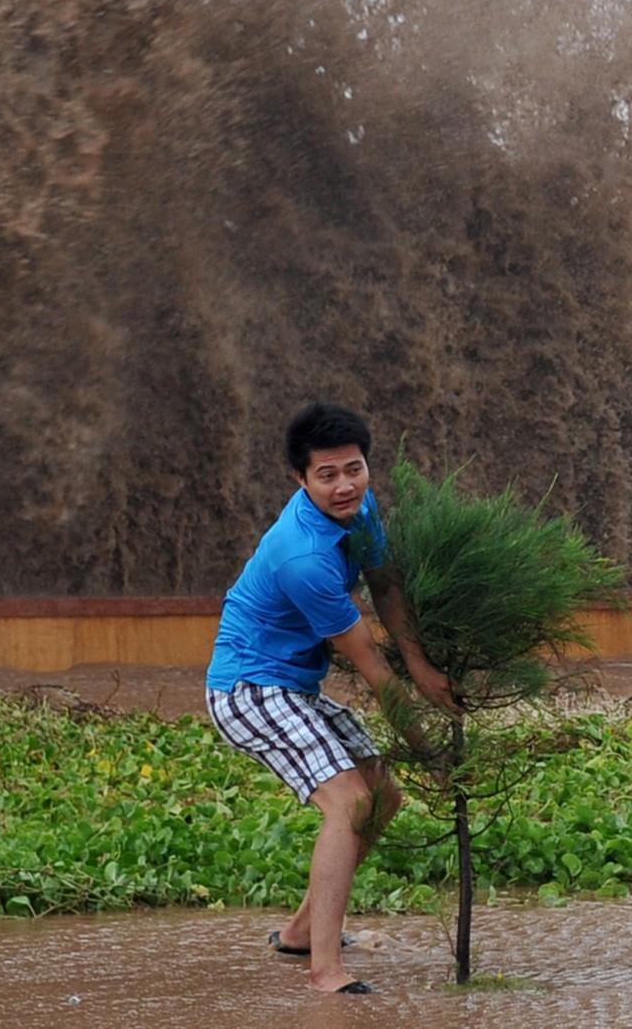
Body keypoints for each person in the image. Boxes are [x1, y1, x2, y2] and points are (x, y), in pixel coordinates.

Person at [204, 402, 456, 995]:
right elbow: (370, 665)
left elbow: (386, 582)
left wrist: (422, 665)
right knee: (350, 805)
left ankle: (298, 933)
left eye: (355, 469)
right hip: (248, 688)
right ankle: (326, 972)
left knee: (384, 797)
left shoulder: (359, 506)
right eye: (328, 475)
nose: (345, 485)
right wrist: (431, 751)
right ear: (300, 478)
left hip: (292, 686)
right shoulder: (304, 558)